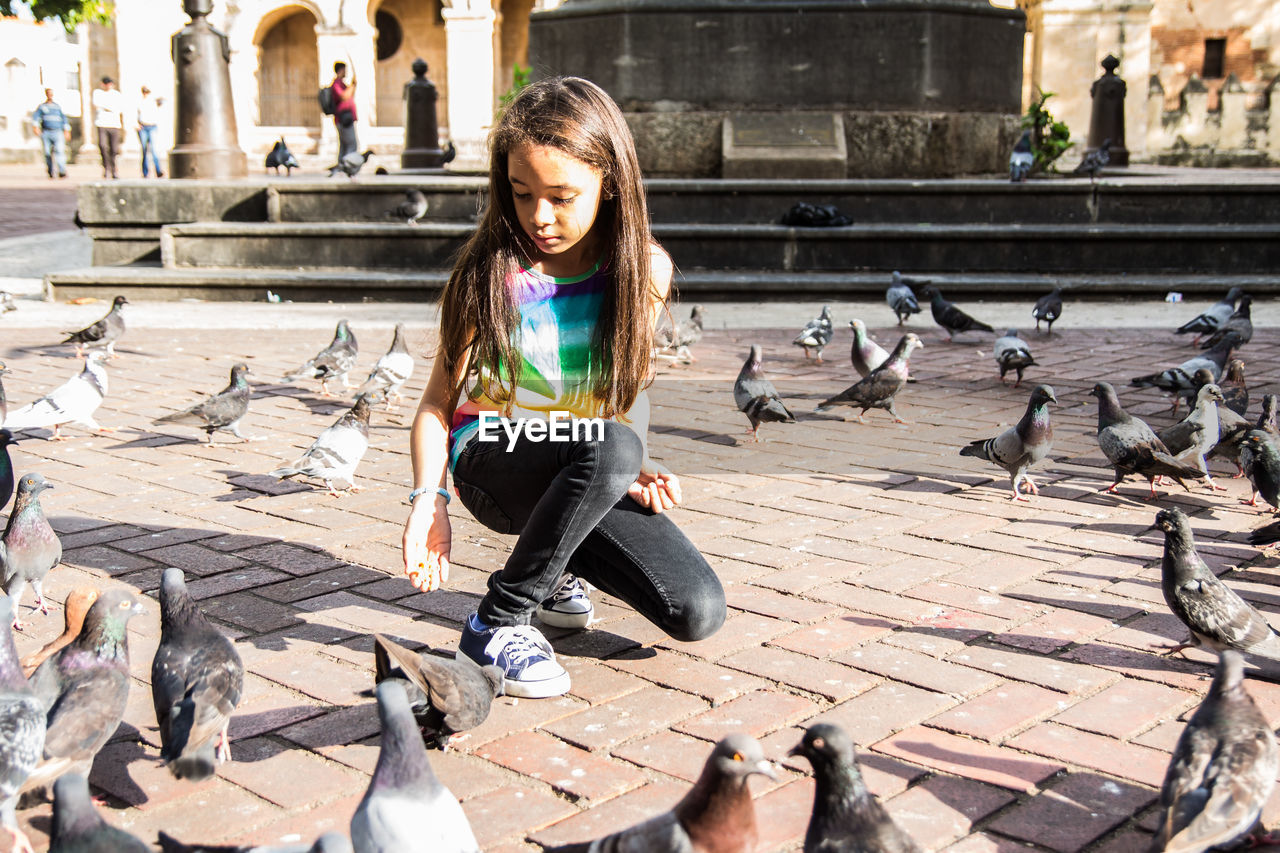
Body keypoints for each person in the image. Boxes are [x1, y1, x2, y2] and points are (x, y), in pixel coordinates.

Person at [401, 76, 725, 699]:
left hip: (582, 454)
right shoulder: (491, 272)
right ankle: (497, 620)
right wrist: (428, 500)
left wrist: (635, 461)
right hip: (493, 460)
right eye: (522, 194)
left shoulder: (643, 270)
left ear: (610, 185)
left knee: (696, 610)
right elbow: (436, 406)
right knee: (610, 448)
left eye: (561, 196)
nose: (539, 217)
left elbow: (618, 396)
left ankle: (552, 563)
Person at [31, 88, 70, 179]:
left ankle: (62, 170)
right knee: (47, 153)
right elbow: (36, 118)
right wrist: (36, 127)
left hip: (57, 131)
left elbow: (64, 119)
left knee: (60, 151)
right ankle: (50, 170)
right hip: (46, 132)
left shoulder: (57, 107)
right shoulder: (42, 107)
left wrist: (67, 130)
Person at [91, 76, 125, 179]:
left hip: (114, 124)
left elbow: (119, 108)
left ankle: (114, 169)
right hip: (102, 123)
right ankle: (106, 167)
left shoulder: (116, 94)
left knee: (114, 149)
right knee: (103, 146)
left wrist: (105, 107)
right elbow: (96, 105)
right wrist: (110, 107)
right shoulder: (97, 93)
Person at [330, 61, 358, 162]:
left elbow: (350, 94)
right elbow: (344, 96)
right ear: (340, 70)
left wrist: (353, 86)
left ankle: (341, 166)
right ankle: (348, 164)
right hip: (343, 119)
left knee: (344, 145)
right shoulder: (336, 84)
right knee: (351, 144)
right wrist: (352, 85)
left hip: (346, 118)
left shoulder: (342, 84)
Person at [136, 85, 164, 178]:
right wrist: (136, 124)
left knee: (154, 150)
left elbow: (162, 100)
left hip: (152, 126)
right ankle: (145, 171)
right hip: (143, 127)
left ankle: (158, 170)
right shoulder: (140, 102)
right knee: (144, 150)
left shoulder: (153, 102)